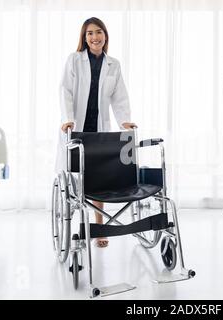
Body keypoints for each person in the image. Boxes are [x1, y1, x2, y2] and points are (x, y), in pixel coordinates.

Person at [56, 17, 137, 248]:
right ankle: (74, 227)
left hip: (99, 129)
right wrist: (68, 119)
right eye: (90, 33)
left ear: (105, 35)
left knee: (99, 178)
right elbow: (66, 91)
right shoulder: (74, 60)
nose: (95, 37)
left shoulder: (114, 64)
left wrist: (125, 122)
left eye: (98, 32)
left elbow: (119, 96)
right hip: (77, 128)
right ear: (84, 37)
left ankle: (99, 229)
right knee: (76, 179)